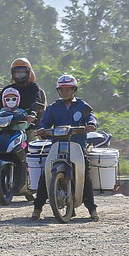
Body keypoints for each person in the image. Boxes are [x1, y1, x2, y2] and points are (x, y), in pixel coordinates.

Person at [32, 73, 99, 221]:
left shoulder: (82, 106)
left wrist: (91, 124)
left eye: (68, 89)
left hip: (77, 145)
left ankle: (92, 210)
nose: (65, 92)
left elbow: (91, 117)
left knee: (85, 175)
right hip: (57, 145)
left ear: (74, 90)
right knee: (45, 173)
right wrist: (42, 129)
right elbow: (45, 122)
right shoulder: (53, 108)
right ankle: (37, 208)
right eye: (62, 90)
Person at [0, 57, 46, 195]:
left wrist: (32, 114)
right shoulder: (8, 89)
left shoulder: (33, 88)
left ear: (29, 73)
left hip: (27, 127)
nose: (20, 75)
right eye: (17, 72)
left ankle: (40, 186)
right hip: (6, 128)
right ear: (12, 74)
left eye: (23, 72)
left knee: (36, 153)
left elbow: (36, 102)